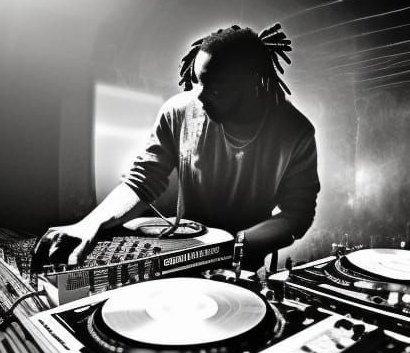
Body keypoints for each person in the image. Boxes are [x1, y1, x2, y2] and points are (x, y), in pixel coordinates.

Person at [32, 23, 320, 271]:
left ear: (251, 83)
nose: (200, 98)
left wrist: (239, 243)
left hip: (242, 265)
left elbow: (297, 215)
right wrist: (89, 224)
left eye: (216, 88)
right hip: (183, 256)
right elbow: (142, 181)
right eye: (197, 82)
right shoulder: (178, 111)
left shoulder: (296, 132)